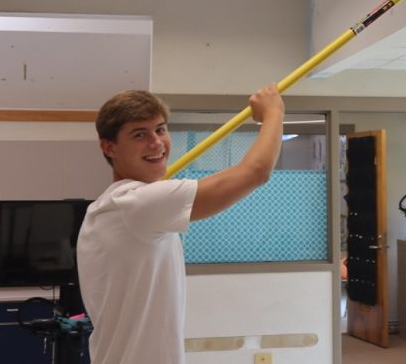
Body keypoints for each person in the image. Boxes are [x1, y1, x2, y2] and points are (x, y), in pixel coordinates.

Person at [77, 84, 284, 364]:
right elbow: (255, 172)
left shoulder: (112, 206)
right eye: (140, 134)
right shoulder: (134, 204)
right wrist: (274, 111)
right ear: (109, 147)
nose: (156, 142)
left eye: (160, 129)